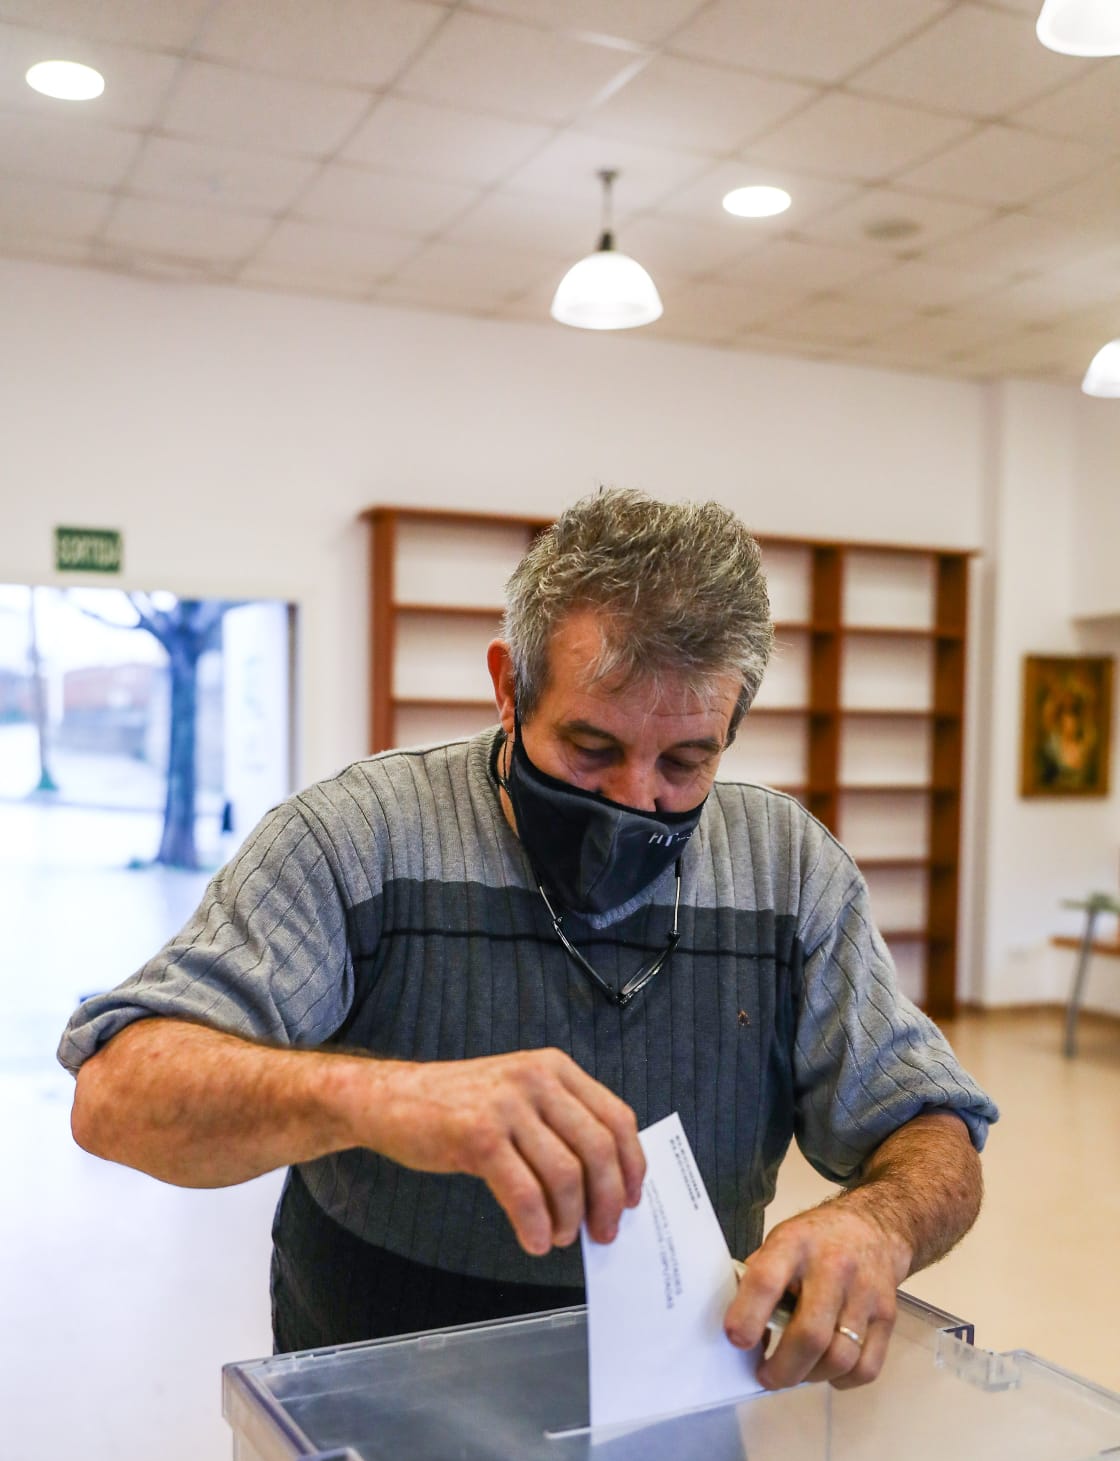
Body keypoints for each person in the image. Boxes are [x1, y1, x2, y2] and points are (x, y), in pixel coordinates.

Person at [60, 488, 997, 1391]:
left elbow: (934, 1127)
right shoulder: (356, 839)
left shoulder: (789, 872)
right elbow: (118, 1095)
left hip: (674, 1428)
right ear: (510, 687)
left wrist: (877, 1222)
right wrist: (375, 1097)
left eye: (684, 761)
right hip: (381, 1418)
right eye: (591, 749)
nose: (635, 801)